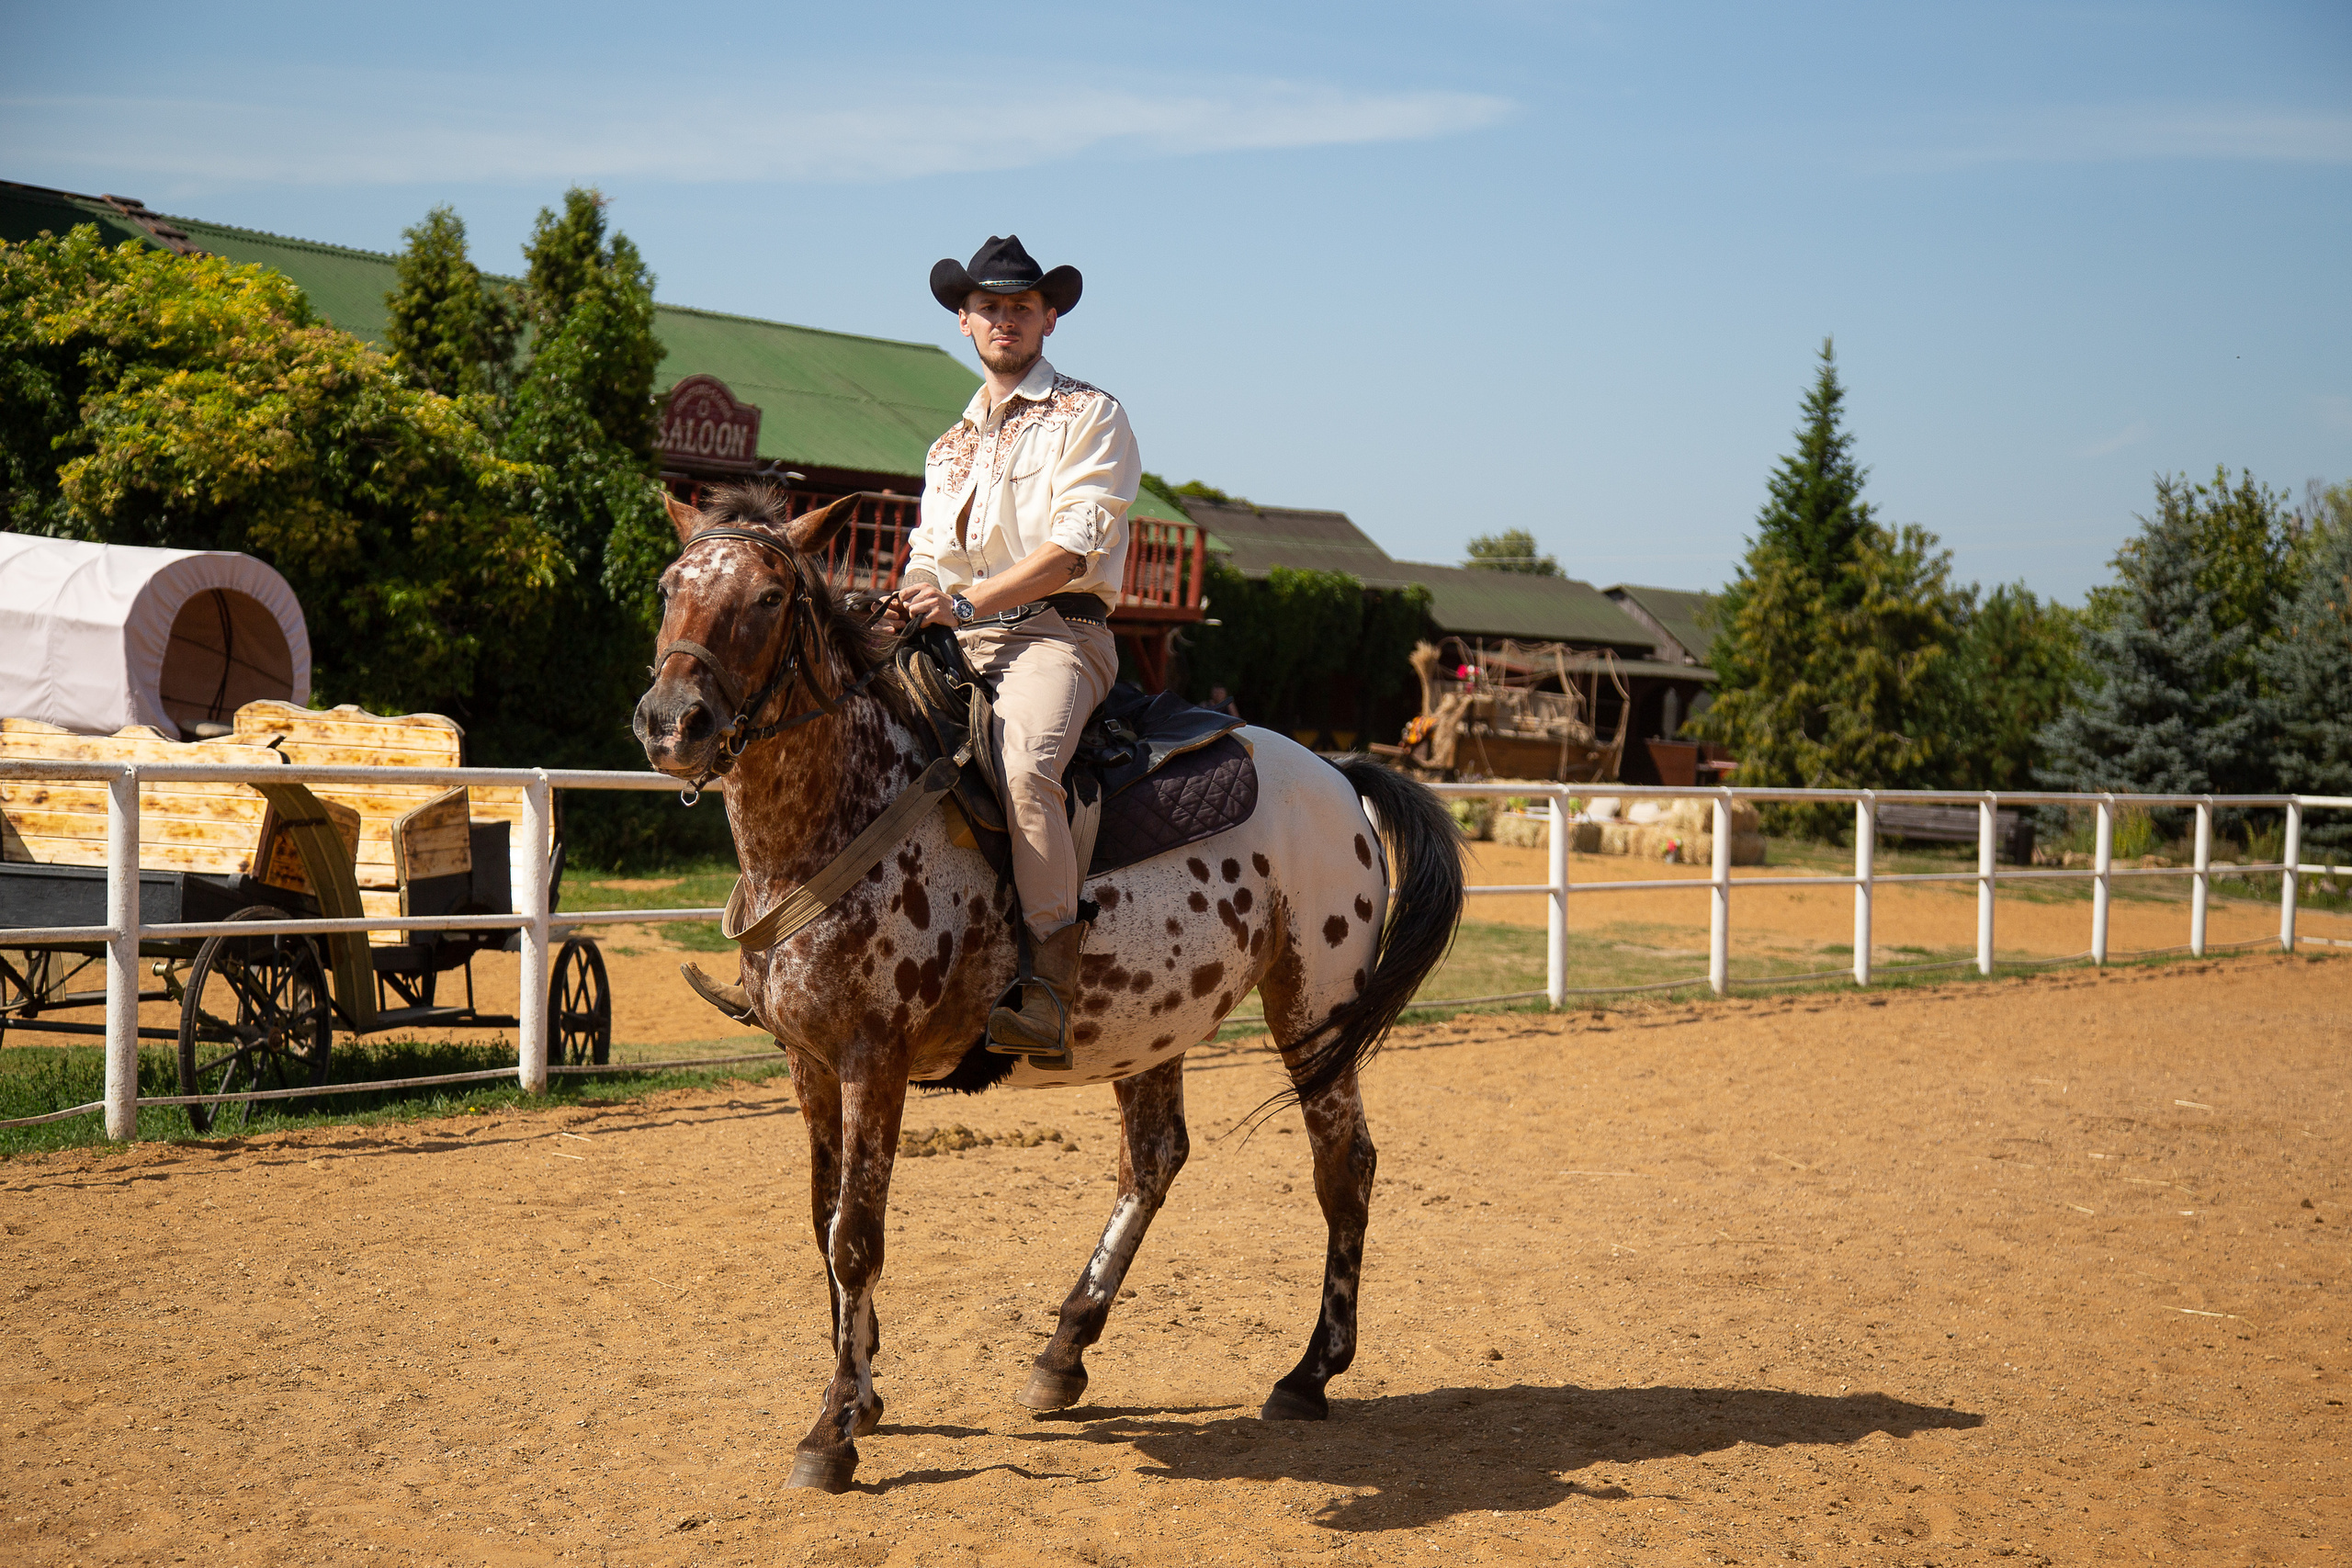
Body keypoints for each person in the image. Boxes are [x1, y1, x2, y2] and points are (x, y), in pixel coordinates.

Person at [894, 235, 1141, 1066]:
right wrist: (922, 589)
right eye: (991, 307)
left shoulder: (1090, 414)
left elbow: (1073, 551)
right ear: (964, 321)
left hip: (1057, 634)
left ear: (1050, 318)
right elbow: (927, 546)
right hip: (956, 636)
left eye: (1022, 307)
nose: (1006, 319)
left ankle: (1048, 988)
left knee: (1028, 767)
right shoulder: (948, 446)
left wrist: (966, 600)